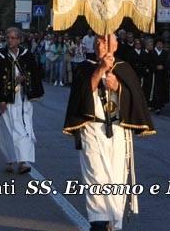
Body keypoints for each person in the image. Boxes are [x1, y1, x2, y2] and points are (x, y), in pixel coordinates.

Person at [63, 34, 155, 231]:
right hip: (92, 129)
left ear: (115, 44)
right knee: (96, 175)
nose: (99, 44)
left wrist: (119, 87)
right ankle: (98, 221)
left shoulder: (124, 68)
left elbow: (136, 100)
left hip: (118, 130)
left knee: (115, 178)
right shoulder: (85, 67)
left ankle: (112, 223)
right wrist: (101, 70)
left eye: (104, 40)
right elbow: (81, 96)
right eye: (96, 41)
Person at [0, 27, 44, 174]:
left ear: (19, 40)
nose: (10, 40)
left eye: (13, 38)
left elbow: (35, 74)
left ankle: (23, 162)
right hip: (5, 100)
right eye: (8, 38)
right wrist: (0, 100)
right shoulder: (0, 56)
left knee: (24, 129)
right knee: (7, 131)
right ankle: (10, 160)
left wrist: (24, 78)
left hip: (22, 101)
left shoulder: (26, 55)